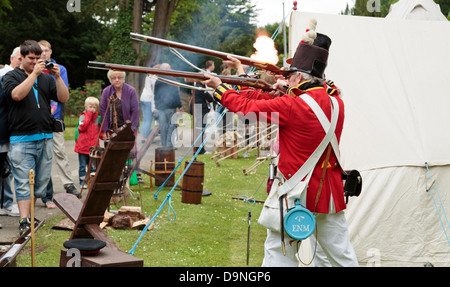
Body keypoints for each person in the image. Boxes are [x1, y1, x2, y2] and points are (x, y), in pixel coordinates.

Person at [203, 26, 358, 267]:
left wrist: (220, 89)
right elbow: (263, 99)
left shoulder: (292, 106)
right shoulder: (337, 102)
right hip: (328, 193)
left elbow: (248, 108)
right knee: (340, 257)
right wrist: (247, 76)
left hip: (295, 194)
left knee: (279, 255)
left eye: (290, 74)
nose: (286, 77)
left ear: (298, 77)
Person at [2, 40, 69, 235]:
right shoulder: (10, 76)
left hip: (46, 137)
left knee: (39, 183)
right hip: (21, 139)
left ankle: (29, 216)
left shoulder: (47, 79)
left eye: (38, 58)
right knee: (23, 181)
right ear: (21, 58)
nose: (35, 62)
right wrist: (34, 74)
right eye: (31, 58)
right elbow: (16, 95)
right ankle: (24, 220)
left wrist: (57, 77)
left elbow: (63, 98)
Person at [38, 40, 79, 207]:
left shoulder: (59, 69)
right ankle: (45, 191)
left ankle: (68, 183)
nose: (43, 54)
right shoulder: (35, 69)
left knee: (60, 152)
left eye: (46, 51)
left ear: (51, 51)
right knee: (43, 157)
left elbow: (62, 92)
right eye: (40, 51)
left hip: (55, 117)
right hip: (39, 117)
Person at [0, 47, 21, 217]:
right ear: (12, 58)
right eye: (19, 59)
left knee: (8, 169)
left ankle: (6, 202)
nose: (22, 63)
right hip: (4, 132)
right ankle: (6, 202)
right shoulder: (5, 75)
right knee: (5, 169)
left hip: (12, 131)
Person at [74, 97, 101, 188]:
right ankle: (82, 182)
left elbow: (99, 131)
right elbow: (82, 128)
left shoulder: (97, 119)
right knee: (82, 166)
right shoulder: (82, 117)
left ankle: (91, 181)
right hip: (83, 147)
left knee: (92, 166)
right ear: (85, 107)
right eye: (90, 107)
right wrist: (88, 115)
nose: (92, 109)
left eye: (94, 107)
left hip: (93, 148)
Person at [153, 63, 181, 148]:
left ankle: (164, 144)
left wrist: (156, 106)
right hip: (171, 107)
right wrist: (179, 105)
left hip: (161, 107)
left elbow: (155, 95)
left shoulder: (158, 80)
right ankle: (169, 144)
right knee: (171, 126)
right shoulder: (172, 79)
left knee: (163, 127)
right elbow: (176, 95)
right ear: (168, 69)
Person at [192, 60, 215, 154]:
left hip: (200, 110)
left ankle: (200, 149)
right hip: (200, 110)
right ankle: (200, 150)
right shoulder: (200, 86)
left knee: (201, 130)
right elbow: (209, 97)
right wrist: (214, 99)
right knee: (200, 130)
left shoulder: (199, 86)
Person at [140, 64, 159, 144]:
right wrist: (154, 108)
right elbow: (154, 92)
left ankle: (144, 136)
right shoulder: (155, 78)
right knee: (148, 120)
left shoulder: (148, 76)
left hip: (143, 98)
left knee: (145, 119)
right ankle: (145, 138)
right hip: (149, 99)